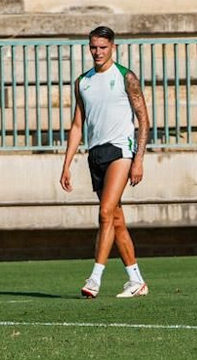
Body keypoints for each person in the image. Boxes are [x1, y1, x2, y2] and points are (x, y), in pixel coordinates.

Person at [58, 26, 150, 299]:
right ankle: (136, 280)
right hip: (96, 154)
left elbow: (143, 119)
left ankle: (95, 278)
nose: (98, 52)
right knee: (116, 218)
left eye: (103, 47)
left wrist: (138, 159)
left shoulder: (126, 77)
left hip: (121, 151)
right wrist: (66, 164)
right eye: (94, 47)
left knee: (105, 212)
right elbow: (77, 125)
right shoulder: (83, 82)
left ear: (113, 47)